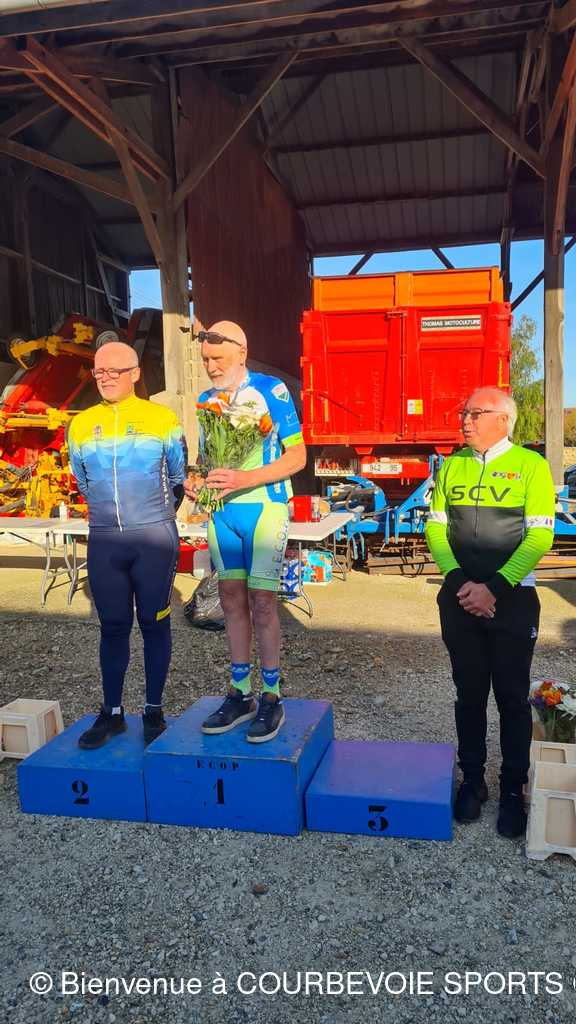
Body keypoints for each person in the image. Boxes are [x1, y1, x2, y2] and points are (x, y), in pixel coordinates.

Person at [425, 387, 555, 838]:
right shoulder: (452, 465)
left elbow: (540, 537)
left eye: (474, 413)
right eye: (463, 412)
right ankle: (473, 780)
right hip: (459, 598)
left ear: (503, 419)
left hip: (512, 599)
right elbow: (435, 528)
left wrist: (495, 587)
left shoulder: (531, 466)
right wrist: (460, 583)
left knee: (513, 698)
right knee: (469, 694)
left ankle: (513, 789)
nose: (464, 420)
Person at [185, 321, 307, 742]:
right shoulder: (206, 400)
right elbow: (206, 458)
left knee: (263, 603)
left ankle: (272, 696)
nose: (211, 367)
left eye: (218, 358)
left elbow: (297, 456)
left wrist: (246, 478)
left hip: (264, 508)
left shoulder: (271, 391)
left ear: (241, 352)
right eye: (205, 360)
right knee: (229, 599)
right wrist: (197, 481)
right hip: (223, 513)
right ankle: (241, 693)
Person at [68, 341, 186, 749]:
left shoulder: (162, 419)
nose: (105, 378)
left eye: (114, 371)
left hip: (153, 537)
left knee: (154, 624)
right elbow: (83, 481)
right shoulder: (81, 424)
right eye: (99, 372)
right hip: (105, 539)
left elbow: (177, 477)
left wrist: (153, 515)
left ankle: (154, 712)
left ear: (135, 373)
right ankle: (112, 713)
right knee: (113, 626)